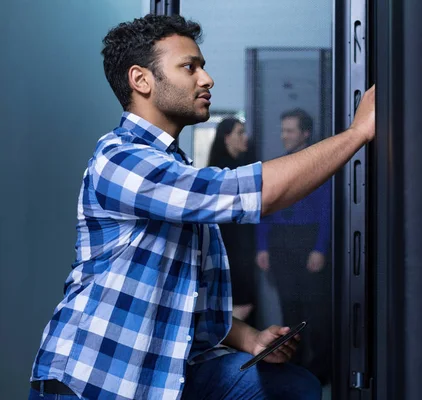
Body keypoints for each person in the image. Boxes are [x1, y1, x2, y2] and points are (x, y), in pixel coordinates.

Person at [29, 14, 375, 400]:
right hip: (95, 381)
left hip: (170, 375)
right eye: (189, 67)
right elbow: (255, 192)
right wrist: (358, 134)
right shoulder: (120, 159)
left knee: (293, 387)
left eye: (203, 67)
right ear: (141, 80)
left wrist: (251, 338)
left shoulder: (175, 169)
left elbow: (188, 301)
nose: (206, 79)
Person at [255, 109, 332, 384]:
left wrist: (320, 249)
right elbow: (267, 206)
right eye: (283, 130)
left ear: (305, 133)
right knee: (289, 308)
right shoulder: (280, 164)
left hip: (309, 241)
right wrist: (262, 247)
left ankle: (320, 370)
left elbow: (327, 211)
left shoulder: (318, 165)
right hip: (281, 241)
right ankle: (294, 368)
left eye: (290, 130)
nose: (284, 135)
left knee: (316, 310)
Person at [207, 118, 257, 322]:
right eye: (240, 132)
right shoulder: (220, 171)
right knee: (240, 305)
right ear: (226, 137)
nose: (245, 137)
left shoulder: (243, 166)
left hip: (242, 249)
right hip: (230, 250)